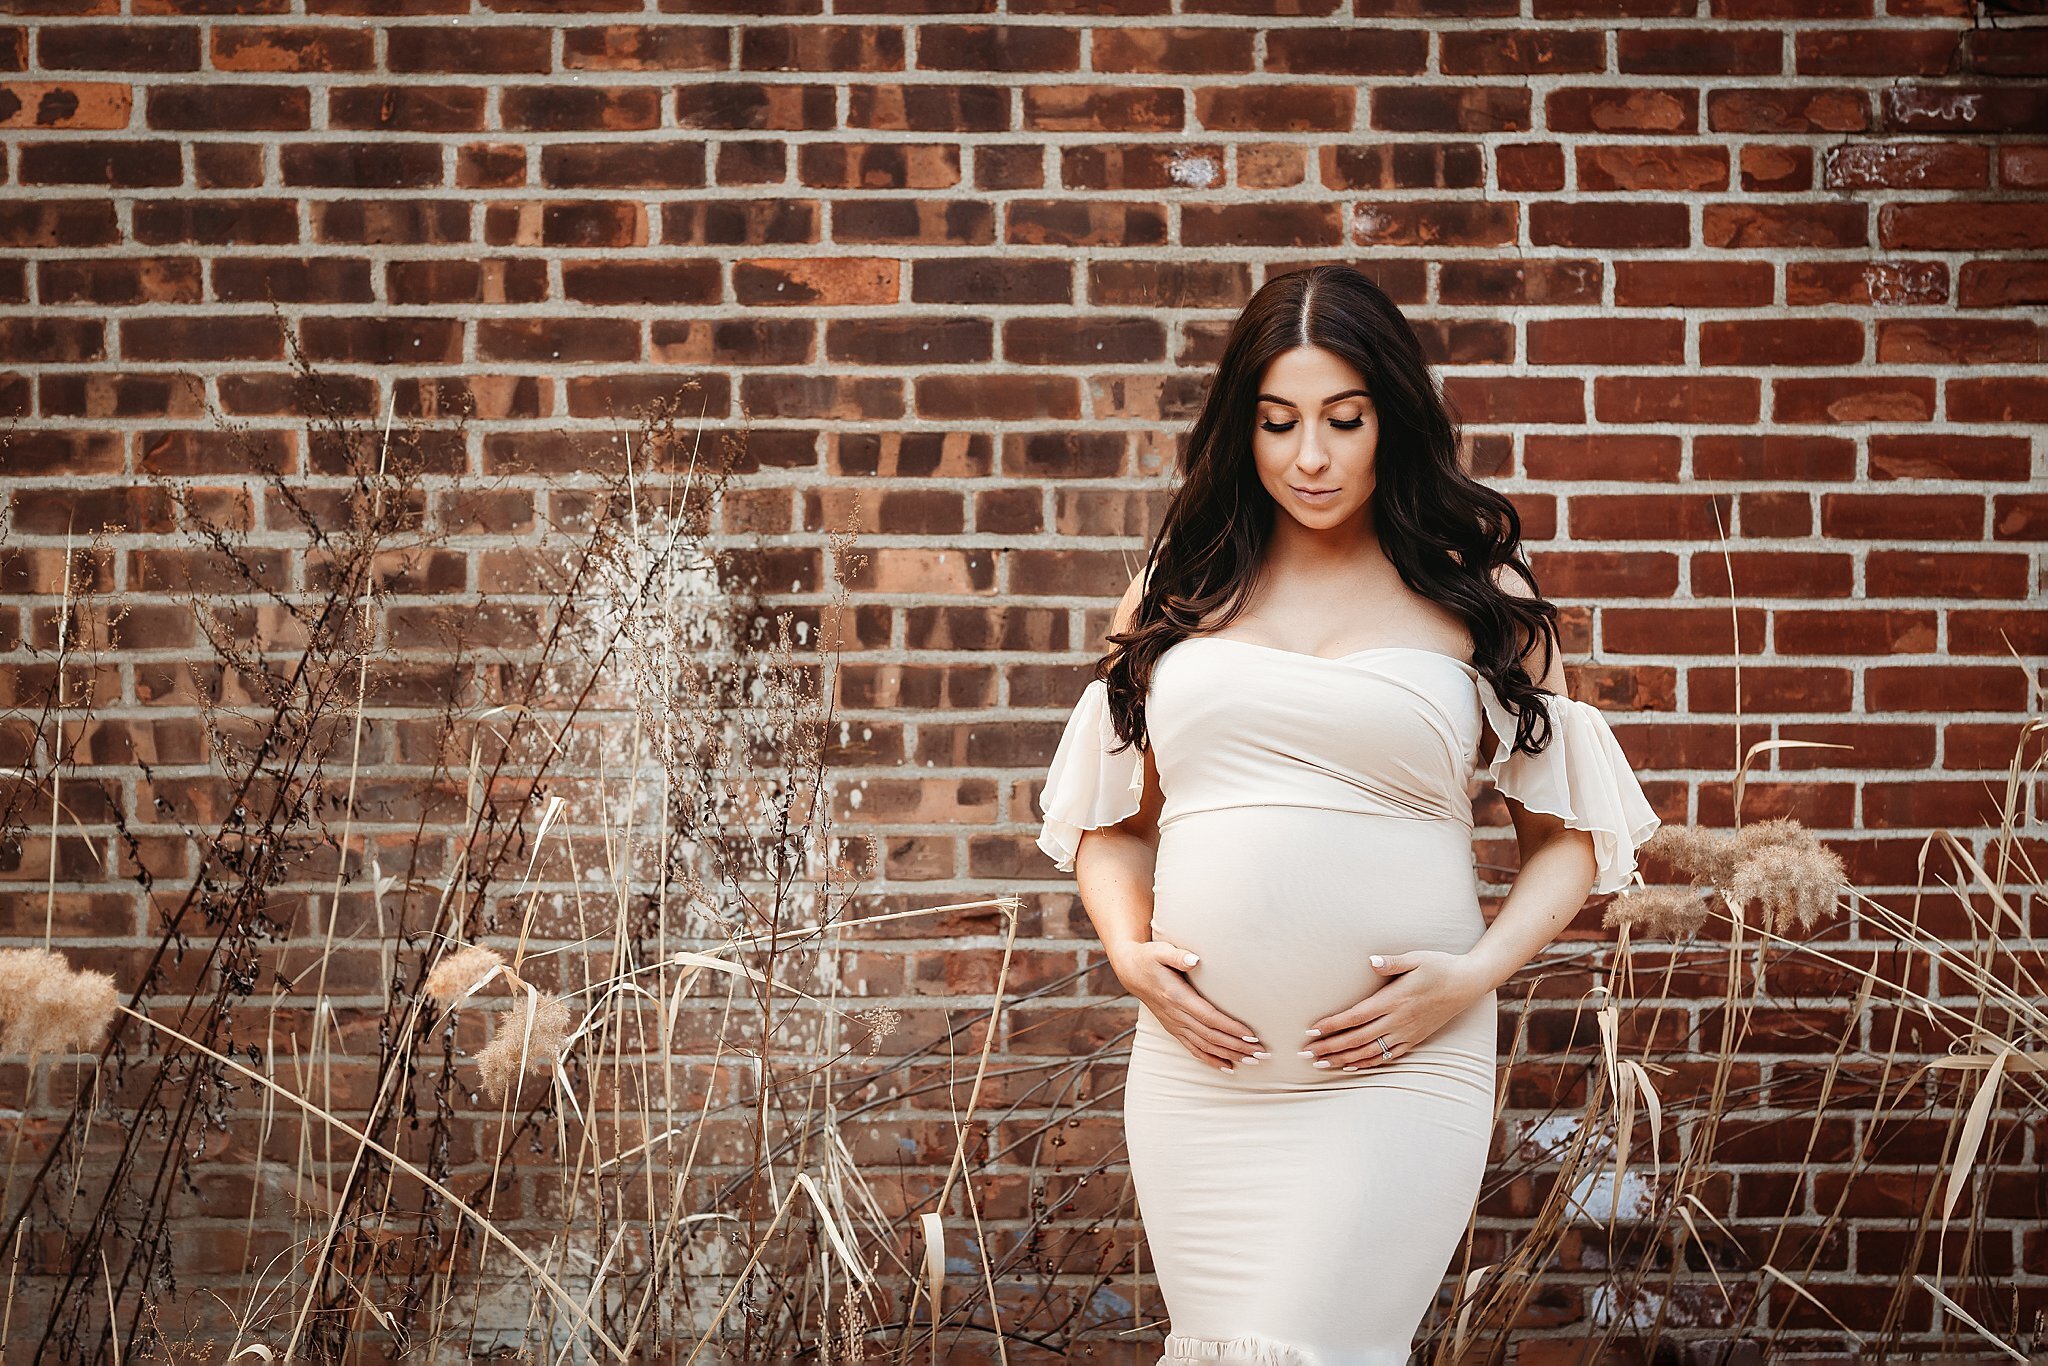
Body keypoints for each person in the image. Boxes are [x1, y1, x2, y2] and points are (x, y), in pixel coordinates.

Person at [1034, 264, 1661, 1365]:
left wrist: (1471, 975)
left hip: (1396, 1066)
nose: (1309, 457)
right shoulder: (1176, 587)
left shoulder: (1479, 592)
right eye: (1277, 423)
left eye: (1342, 420)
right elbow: (1115, 825)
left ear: (1393, 420)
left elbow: (1566, 842)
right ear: (1242, 425)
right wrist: (1127, 953)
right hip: (1201, 1074)